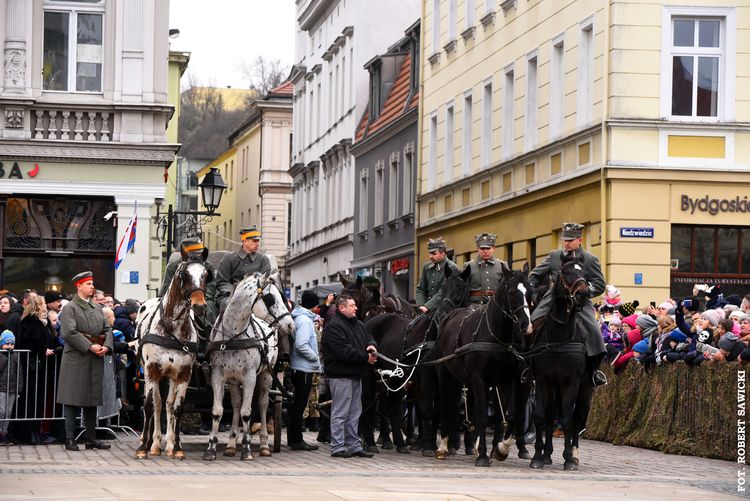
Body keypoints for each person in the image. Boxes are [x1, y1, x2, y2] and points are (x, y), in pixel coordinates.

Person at [529, 222, 608, 386]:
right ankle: (527, 367)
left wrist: (585, 291)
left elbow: (600, 284)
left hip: (580, 302)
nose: (566, 243)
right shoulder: (554, 256)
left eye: (570, 240)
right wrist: (536, 293)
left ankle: (594, 372)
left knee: (594, 332)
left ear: (579, 240)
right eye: (565, 240)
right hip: (553, 301)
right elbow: (533, 277)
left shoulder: (590, 259)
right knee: (530, 325)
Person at [57, 271, 113, 451]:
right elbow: (68, 333)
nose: (92, 286)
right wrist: (90, 346)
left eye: (92, 283)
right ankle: (70, 439)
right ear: (79, 286)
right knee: (72, 399)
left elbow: (108, 329)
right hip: (76, 358)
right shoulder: (70, 307)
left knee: (91, 399)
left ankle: (91, 438)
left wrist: (107, 347)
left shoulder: (96, 308)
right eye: (88, 283)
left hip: (94, 358)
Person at [321, 295, 377, 458]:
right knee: (340, 412)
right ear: (342, 308)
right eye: (352, 305)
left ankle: (354, 445)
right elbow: (342, 351)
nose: (356, 308)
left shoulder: (359, 324)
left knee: (354, 412)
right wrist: (365, 357)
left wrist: (372, 346)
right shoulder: (333, 326)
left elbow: (369, 337)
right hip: (340, 375)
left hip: (356, 374)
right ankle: (337, 446)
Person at [288, 290, 322, 451]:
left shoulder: (300, 317)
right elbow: (301, 345)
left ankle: (294, 438)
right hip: (303, 368)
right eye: (317, 305)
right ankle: (296, 440)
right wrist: (315, 357)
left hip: (300, 367)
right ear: (313, 306)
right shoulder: (305, 321)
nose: (318, 309)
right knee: (300, 405)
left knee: (298, 405)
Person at [215, 226, 271, 311]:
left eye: (258, 241)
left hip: (256, 297)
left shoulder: (263, 260)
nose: (257, 244)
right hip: (230, 297)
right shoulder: (229, 258)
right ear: (245, 241)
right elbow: (222, 281)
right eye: (254, 241)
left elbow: (265, 282)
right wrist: (234, 293)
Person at [415, 237, 459, 314]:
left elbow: (443, 291)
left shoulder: (452, 267)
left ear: (443, 254)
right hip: (427, 309)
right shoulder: (427, 267)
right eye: (430, 253)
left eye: (434, 253)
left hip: (445, 309)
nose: (430, 256)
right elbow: (421, 289)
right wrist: (421, 305)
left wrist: (427, 306)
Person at [464, 233, 509, 305]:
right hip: (474, 306)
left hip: (497, 305)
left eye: (488, 248)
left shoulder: (502, 265)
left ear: (494, 248)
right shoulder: (469, 266)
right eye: (482, 248)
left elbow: (507, 288)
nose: (485, 251)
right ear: (478, 249)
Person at [0, 330, 22, 446]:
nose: (9, 346)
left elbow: (19, 373)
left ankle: (4, 433)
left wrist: (19, 389)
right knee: (1, 411)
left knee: (8, 412)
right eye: (7, 344)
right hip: (2, 388)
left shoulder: (15, 355)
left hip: (12, 388)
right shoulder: (1, 354)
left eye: (12, 344)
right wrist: (4, 355)